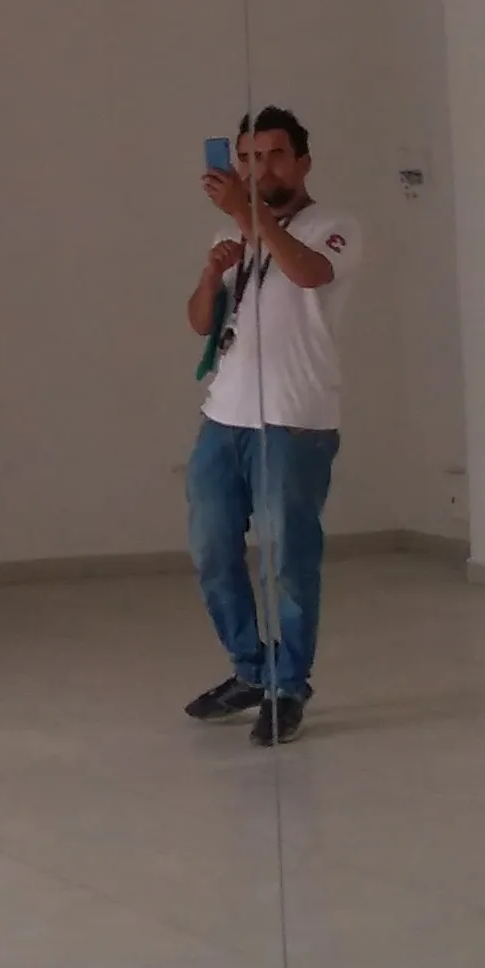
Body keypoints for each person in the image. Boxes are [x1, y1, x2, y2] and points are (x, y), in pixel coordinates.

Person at [179, 107, 360, 747]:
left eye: (275, 155)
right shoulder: (231, 232)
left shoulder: (333, 227)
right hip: (222, 416)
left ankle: (288, 686)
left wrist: (247, 215)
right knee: (211, 550)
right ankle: (250, 671)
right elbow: (202, 323)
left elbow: (308, 273)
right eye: (248, 158)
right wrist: (212, 273)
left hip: (294, 419)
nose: (261, 169)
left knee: (286, 559)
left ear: (303, 162)